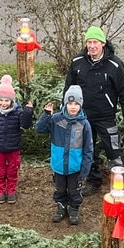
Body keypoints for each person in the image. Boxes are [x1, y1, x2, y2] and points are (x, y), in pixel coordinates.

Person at [65, 25, 124, 197]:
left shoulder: (115, 65)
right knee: (87, 150)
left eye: (95, 42)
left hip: (106, 116)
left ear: (103, 43)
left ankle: (121, 185)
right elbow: (68, 89)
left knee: (113, 151)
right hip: (83, 117)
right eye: (89, 42)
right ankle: (93, 180)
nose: (92, 46)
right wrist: (66, 112)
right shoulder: (77, 62)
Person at [34, 85, 94, 225]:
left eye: (76, 104)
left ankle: (73, 209)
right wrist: (46, 115)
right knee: (59, 189)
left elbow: (88, 149)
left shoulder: (84, 124)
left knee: (74, 190)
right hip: (59, 165)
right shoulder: (56, 119)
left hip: (75, 167)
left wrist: (85, 169)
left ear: (80, 105)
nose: (73, 107)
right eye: (70, 103)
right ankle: (61, 207)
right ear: (65, 103)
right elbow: (39, 129)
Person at [0, 74, 34, 204]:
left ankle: (11, 191)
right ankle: (1, 191)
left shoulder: (18, 111)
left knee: (12, 171)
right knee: (0, 171)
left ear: (12, 101)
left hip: (13, 148)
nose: (3, 103)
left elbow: (25, 125)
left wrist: (28, 113)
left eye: (6, 101)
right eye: (1, 100)